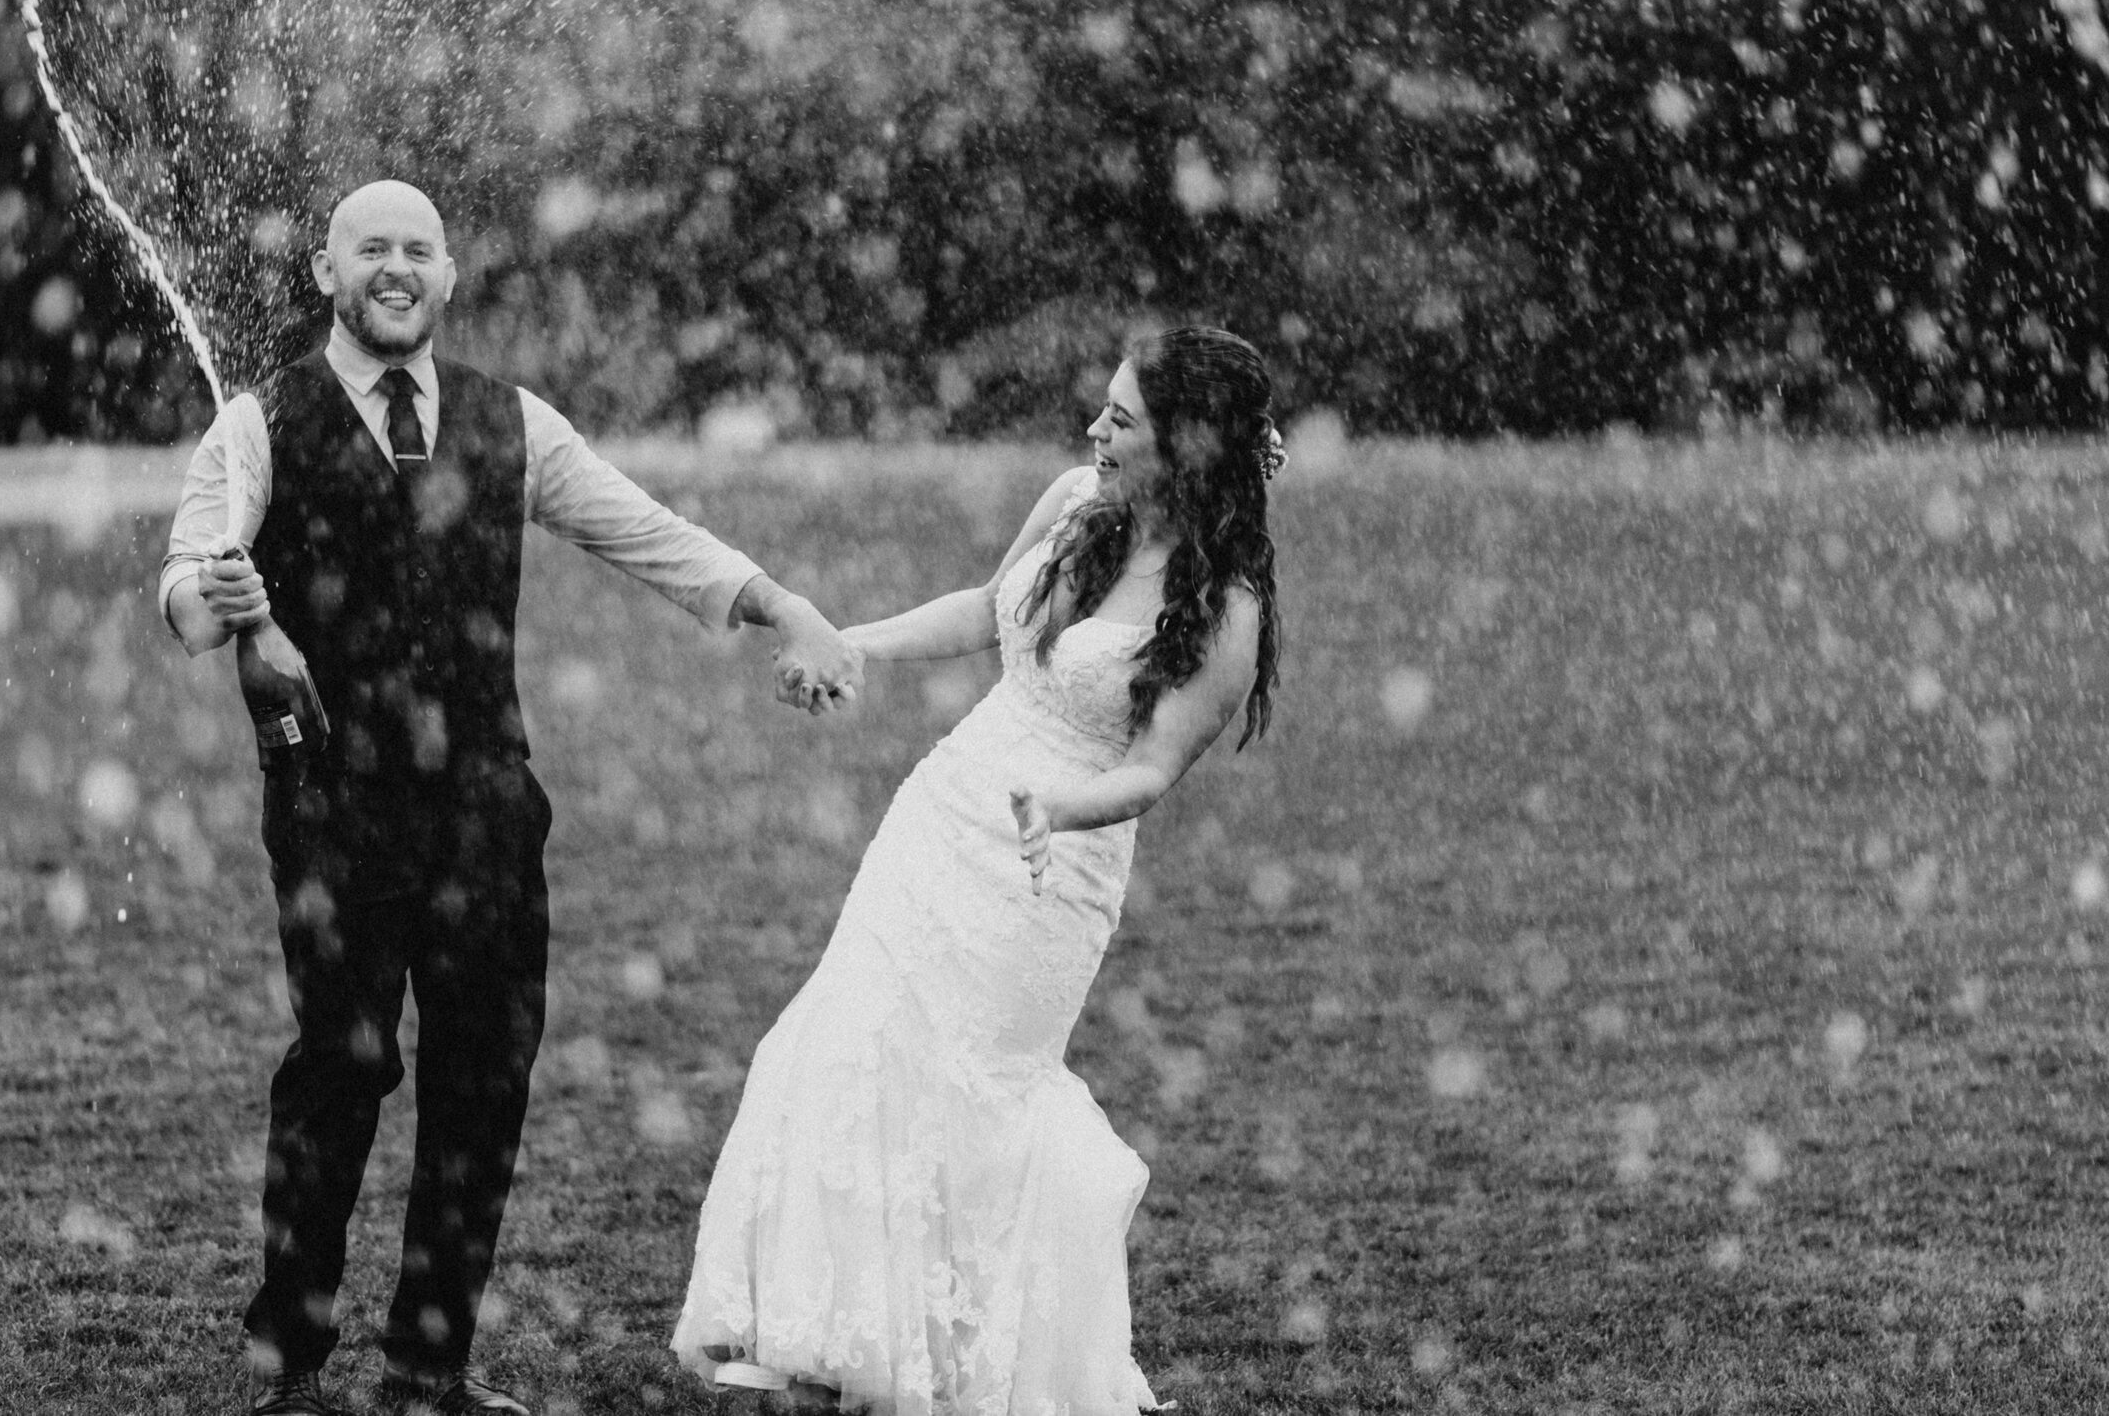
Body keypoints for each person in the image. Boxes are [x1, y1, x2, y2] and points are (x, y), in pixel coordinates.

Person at [160, 180, 864, 1416]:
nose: (395, 267)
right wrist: (219, 615)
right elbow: (185, 579)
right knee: (344, 1064)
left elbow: (649, 533)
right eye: (369, 247)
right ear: (326, 274)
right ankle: (291, 1364)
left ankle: (429, 1369)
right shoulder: (258, 422)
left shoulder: (510, 420)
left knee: (483, 1077)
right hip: (337, 803)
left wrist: (780, 603)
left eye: (417, 249)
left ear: (447, 275)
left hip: (486, 802)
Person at [669, 326, 1285, 1414]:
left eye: (1122, 419)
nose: (1094, 430)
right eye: (1101, 409)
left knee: (976, 1093)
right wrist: (846, 641)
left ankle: (970, 1367)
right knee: (861, 1042)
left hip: (1052, 867)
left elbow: (1150, 769)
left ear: (1186, 445)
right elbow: (982, 610)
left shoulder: (1223, 605)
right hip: (941, 817)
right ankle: (842, 1340)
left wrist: (1057, 805)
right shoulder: (1072, 505)